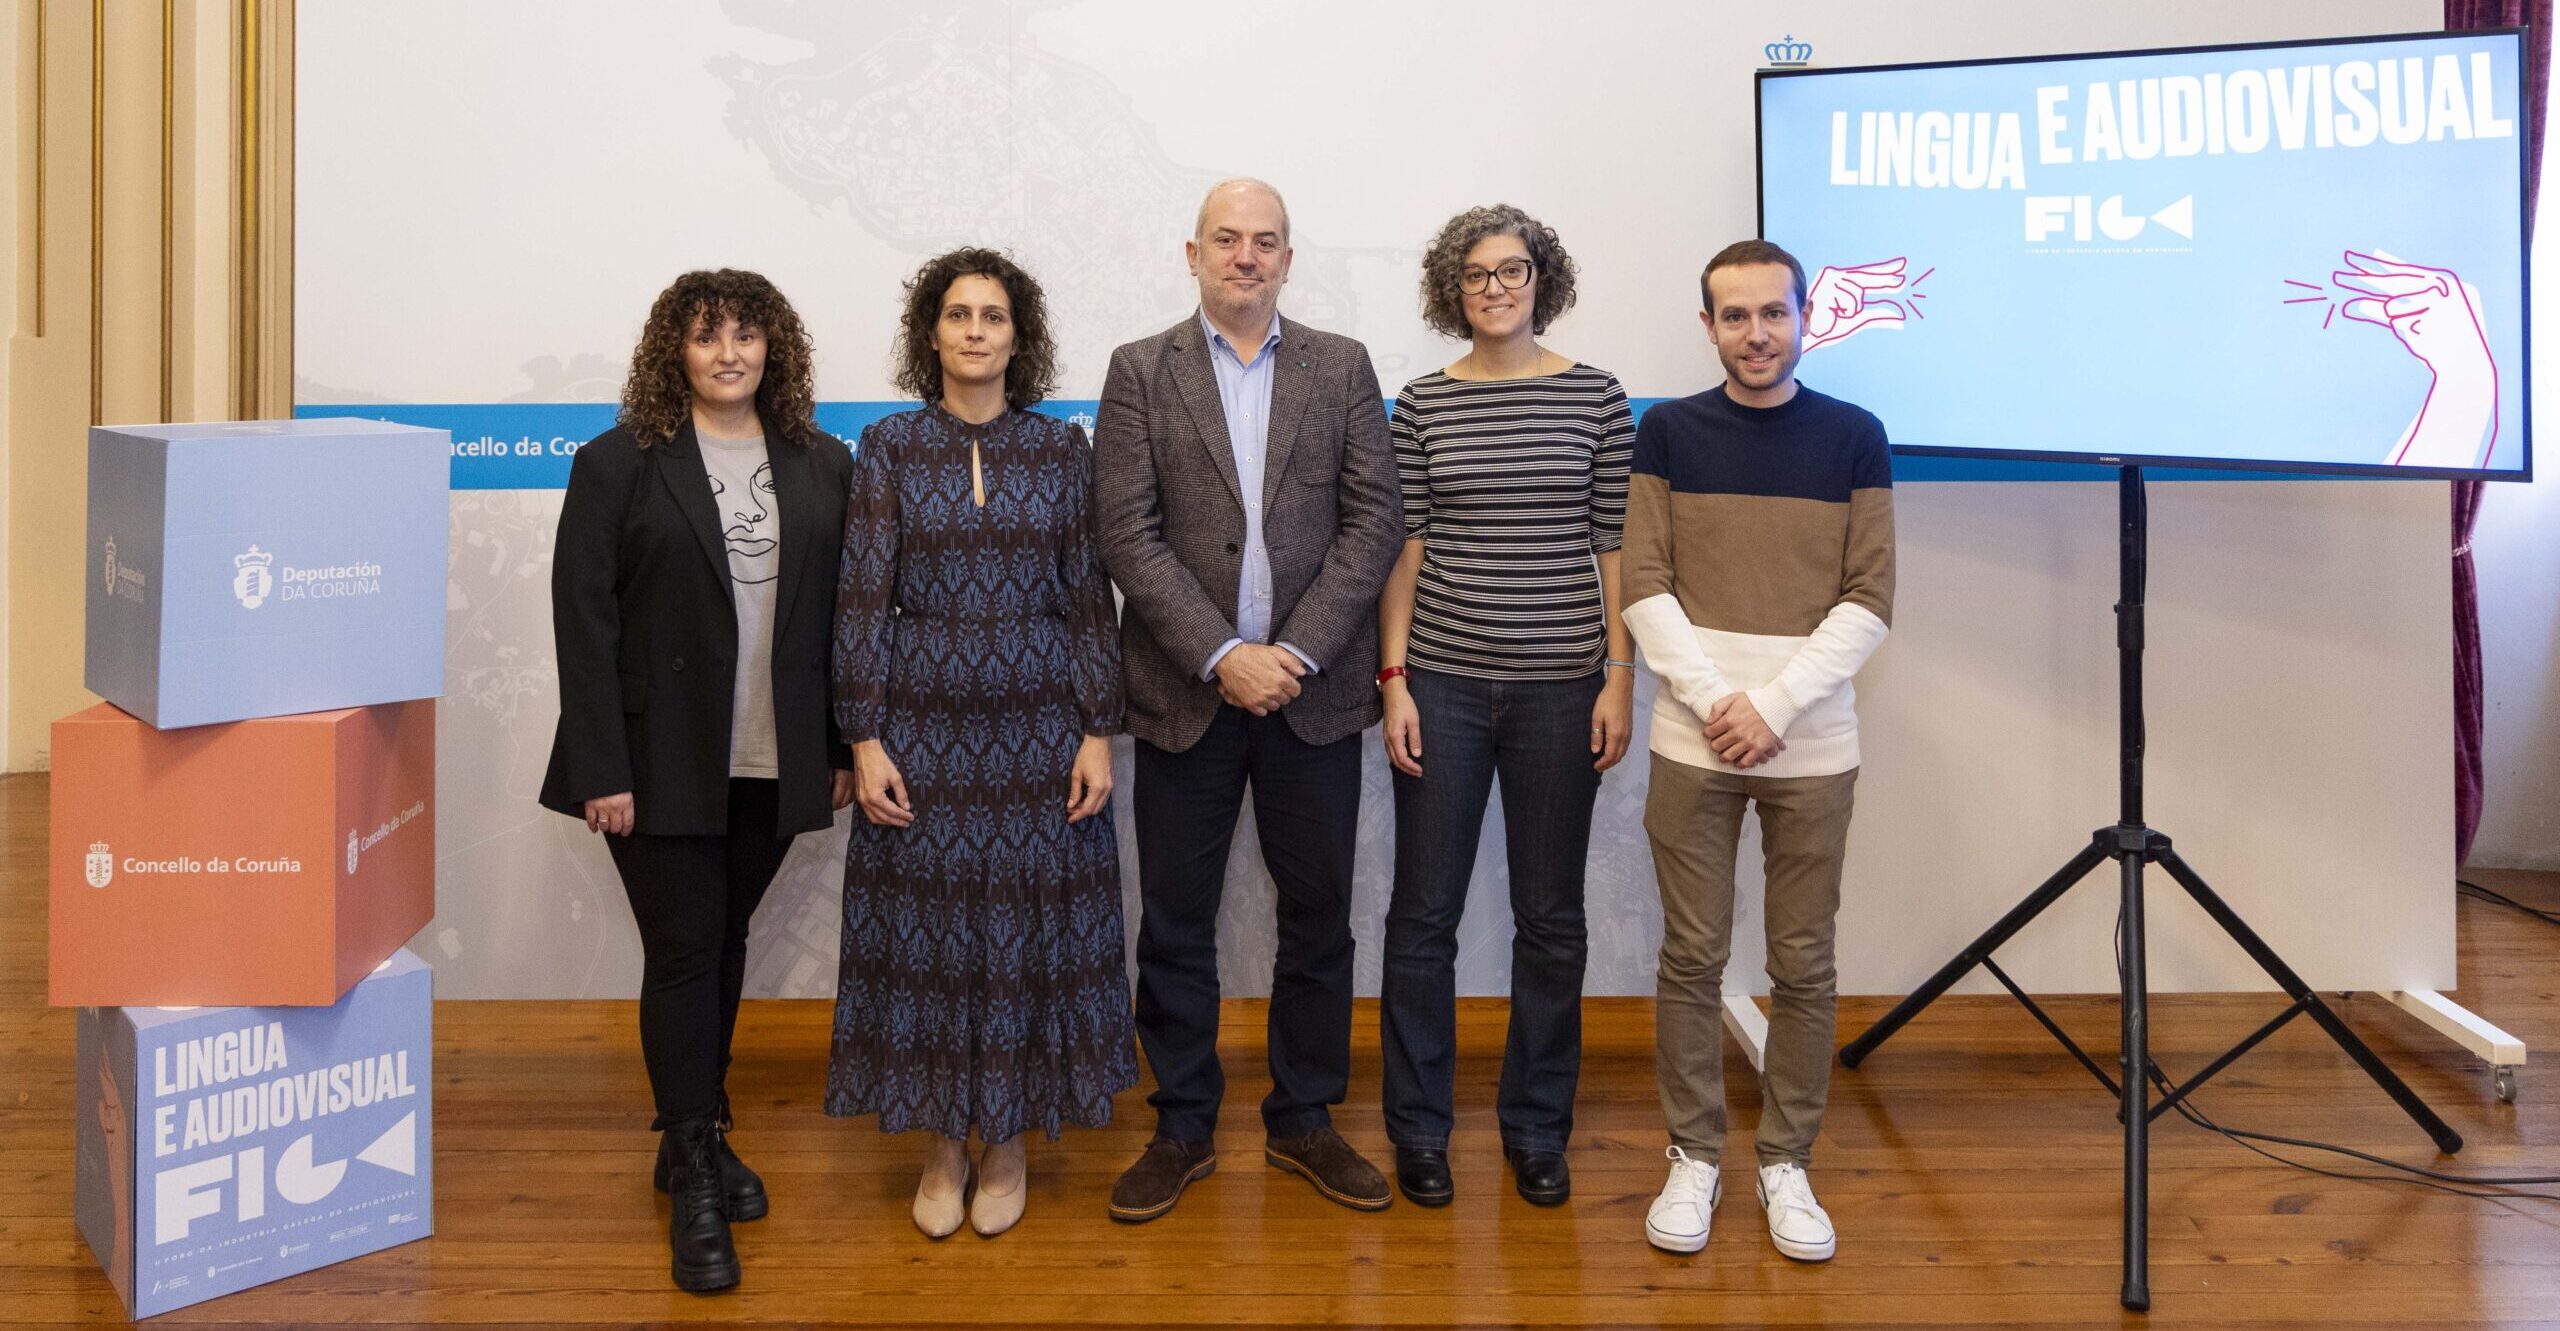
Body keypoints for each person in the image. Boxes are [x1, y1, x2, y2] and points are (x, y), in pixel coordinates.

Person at [1092, 178, 1404, 1221]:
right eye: (1226, 239)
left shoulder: (1342, 366)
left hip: (1310, 697)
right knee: (1176, 922)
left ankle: (1305, 1117)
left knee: (1317, 916)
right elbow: (1126, 533)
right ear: (1192, 254)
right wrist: (1224, 650)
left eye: (1264, 241)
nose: (1245, 256)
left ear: (1285, 258)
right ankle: (1180, 1124)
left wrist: (1295, 653)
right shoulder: (1140, 370)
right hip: (1188, 692)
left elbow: (1374, 524)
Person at [541, 269, 856, 1293]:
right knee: (682, 950)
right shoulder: (616, 464)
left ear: (775, 348)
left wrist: (843, 748)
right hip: (656, 760)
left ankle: (696, 1133)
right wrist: (603, 768)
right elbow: (583, 625)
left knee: (724, 938)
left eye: (746, 335)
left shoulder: (824, 465)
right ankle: (694, 1179)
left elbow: (845, 625)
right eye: (706, 335)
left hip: (776, 753)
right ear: (672, 351)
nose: (729, 352)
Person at [828, 247, 1134, 1241]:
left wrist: (1098, 727)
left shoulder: (1061, 449)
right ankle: (940, 1145)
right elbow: (862, 599)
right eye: (956, 313)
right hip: (919, 735)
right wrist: (864, 735)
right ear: (930, 332)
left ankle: (1006, 1141)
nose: (973, 330)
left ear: (1017, 335)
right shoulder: (886, 445)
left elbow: (1091, 597)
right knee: (930, 940)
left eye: (992, 315)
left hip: (1044, 734)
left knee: (1022, 938)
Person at [1624, 239, 1894, 1262]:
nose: (1754, 333)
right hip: (1693, 741)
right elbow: (1644, 583)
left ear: (1803, 316)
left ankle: (1787, 1161)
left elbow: (1869, 598)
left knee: (1803, 961)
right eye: (1732, 316)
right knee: (1690, 957)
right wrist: (1716, 701)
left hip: (1813, 744)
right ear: (1707, 326)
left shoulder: (1856, 437)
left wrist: (1773, 702)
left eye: (1770, 313)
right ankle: (1693, 1152)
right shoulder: (1669, 433)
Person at [1374, 204, 1635, 1209]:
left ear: (1541, 279)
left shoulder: (1597, 398)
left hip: (1561, 688)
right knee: (1422, 915)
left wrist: (1618, 672)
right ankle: (1420, 1130)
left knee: (1550, 917)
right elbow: (1408, 549)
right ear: (1454, 289)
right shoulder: (1423, 404)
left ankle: (1536, 1129)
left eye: (1511, 270)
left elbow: (1615, 546)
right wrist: (1392, 679)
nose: (1494, 287)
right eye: (1475, 274)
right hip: (1439, 682)